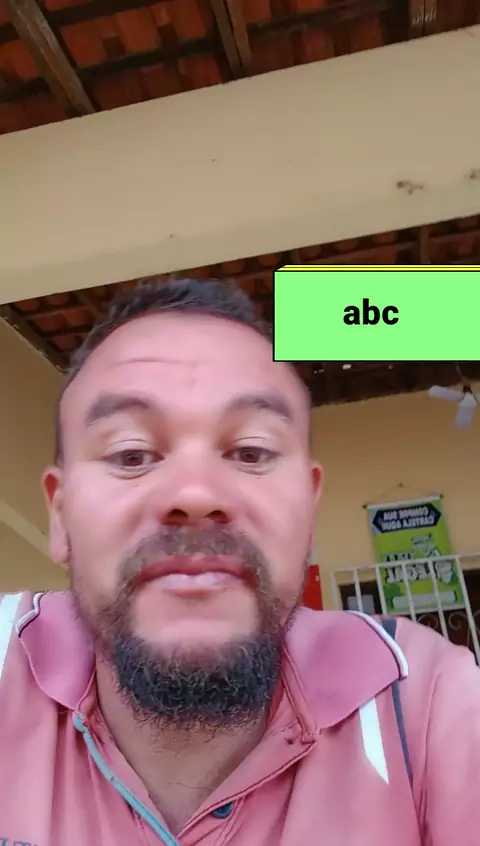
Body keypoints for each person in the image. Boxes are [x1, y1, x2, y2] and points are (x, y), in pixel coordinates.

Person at [0, 277, 479, 846]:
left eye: (251, 451)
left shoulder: (431, 703)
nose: (196, 494)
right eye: (131, 454)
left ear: (308, 511)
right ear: (59, 515)